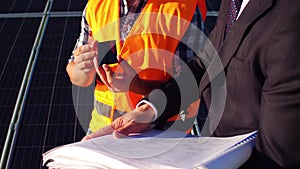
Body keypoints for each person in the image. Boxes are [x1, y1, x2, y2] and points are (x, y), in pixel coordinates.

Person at [84, 0, 300, 168]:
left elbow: (277, 155)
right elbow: (205, 62)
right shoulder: (234, 3)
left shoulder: (291, 21)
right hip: (214, 150)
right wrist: (151, 109)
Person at [66, 0, 207, 135]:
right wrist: (84, 70)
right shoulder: (96, 5)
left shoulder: (183, 8)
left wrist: (138, 86)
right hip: (104, 129)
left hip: (161, 132)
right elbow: (75, 74)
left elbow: (191, 83)